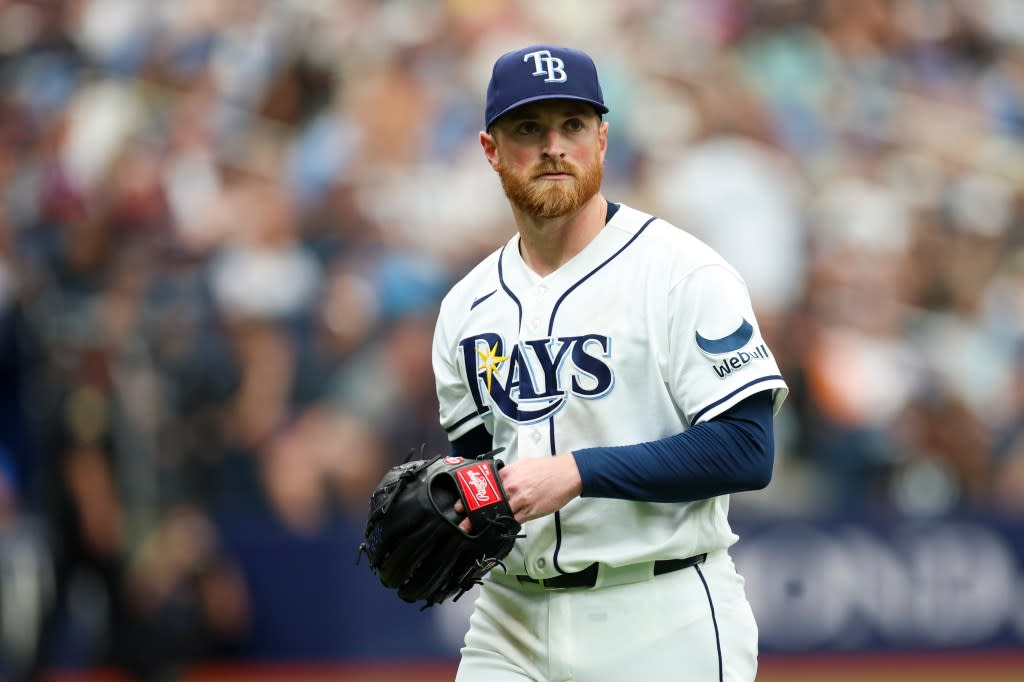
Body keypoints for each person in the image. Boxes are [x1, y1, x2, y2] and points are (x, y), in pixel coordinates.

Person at [432, 45, 789, 682]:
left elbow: (747, 449)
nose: (553, 146)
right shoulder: (467, 307)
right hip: (509, 621)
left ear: (602, 139)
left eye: (572, 125)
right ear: (491, 149)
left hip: (660, 612)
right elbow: (486, 466)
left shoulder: (683, 274)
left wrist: (578, 471)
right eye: (527, 129)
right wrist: (453, 504)